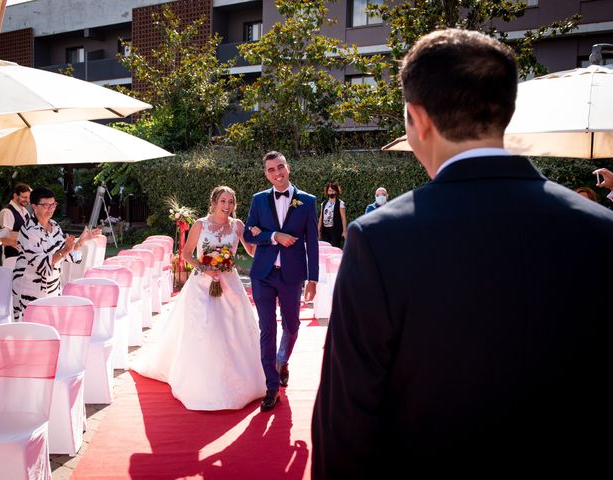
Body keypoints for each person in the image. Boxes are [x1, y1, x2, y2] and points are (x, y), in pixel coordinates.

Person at [312, 28, 613, 478]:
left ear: (418, 119)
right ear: (507, 113)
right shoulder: (601, 230)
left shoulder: (380, 239)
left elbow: (346, 422)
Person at [132, 186, 265, 410]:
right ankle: (200, 380)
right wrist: (204, 268)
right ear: (213, 202)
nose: (227, 206)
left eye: (231, 202)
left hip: (229, 283)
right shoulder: (200, 224)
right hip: (202, 284)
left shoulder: (238, 225)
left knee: (232, 330)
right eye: (223, 201)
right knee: (204, 330)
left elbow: (251, 251)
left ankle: (237, 378)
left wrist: (261, 238)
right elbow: (185, 254)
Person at [244, 151, 319, 412]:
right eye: (270, 170)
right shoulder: (259, 200)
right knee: (267, 329)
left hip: (292, 276)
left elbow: (312, 243)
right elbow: (248, 233)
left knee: (292, 325)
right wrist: (275, 235)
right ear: (265, 173)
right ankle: (272, 386)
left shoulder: (307, 202)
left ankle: (282, 359)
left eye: (280, 167)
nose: (276, 173)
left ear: (287, 167)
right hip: (262, 275)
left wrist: (313, 278)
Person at [12, 187, 100, 320]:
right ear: (34, 206)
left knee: (50, 328)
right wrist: (65, 250)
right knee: (31, 331)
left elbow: (71, 257)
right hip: (29, 289)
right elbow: (42, 265)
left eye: (53, 204)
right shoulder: (29, 230)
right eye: (46, 205)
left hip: (52, 287)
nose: (51, 208)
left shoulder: (54, 226)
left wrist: (80, 243)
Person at [0, 183, 31, 269]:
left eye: (28, 197)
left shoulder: (25, 212)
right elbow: (5, 235)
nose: (27, 200)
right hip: (10, 257)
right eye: (24, 197)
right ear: (15, 195)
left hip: (22, 257)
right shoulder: (7, 212)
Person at [318, 182, 347, 248]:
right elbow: (321, 217)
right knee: (326, 247)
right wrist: (318, 230)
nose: (331, 192)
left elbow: (343, 218)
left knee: (335, 247)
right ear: (327, 192)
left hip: (335, 230)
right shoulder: (324, 203)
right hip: (325, 230)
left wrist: (344, 231)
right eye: (330, 190)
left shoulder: (340, 203)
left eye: (333, 190)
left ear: (336, 192)